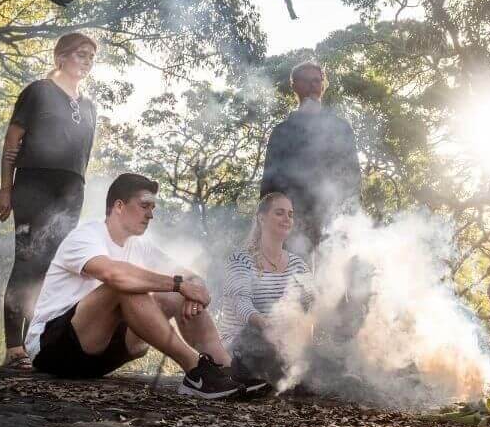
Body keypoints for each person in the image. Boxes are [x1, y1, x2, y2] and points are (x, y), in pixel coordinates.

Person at [24, 173, 238, 398]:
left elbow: (190, 277)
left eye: (153, 207)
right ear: (119, 206)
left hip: (103, 355)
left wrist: (192, 290)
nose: (151, 215)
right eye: (145, 206)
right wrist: (178, 284)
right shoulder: (86, 236)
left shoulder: (140, 246)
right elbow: (114, 275)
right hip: (54, 349)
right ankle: (196, 370)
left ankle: (226, 369)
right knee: (125, 285)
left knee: (177, 294)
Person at [0, 32, 99, 370]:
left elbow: (83, 156)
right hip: (33, 184)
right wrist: (6, 189)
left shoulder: (89, 106)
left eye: (91, 56)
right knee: (28, 262)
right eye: (81, 54)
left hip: (71, 191)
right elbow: (13, 139)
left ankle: (39, 344)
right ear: (61, 56)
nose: (86, 61)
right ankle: (14, 349)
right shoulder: (38, 92)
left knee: (55, 267)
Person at [261, 61, 360, 255]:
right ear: (295, 86)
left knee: (331, 281)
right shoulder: (282, 132)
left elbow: (353, 179)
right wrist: (265, 228)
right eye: (306, 81)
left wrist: (350, 222)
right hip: (291, 226)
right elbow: (268, 187)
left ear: (323, 85)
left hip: (333, 223)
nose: (312, 85)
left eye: (316, 81)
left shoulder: (341, 128)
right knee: (292, 282)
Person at [219, 192, 314, 388]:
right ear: (262, 218)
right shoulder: (240, 260)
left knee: (324, 362)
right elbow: (240, 303)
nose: (287, 218)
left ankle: (288, 373)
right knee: (260, 342)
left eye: (290, 214)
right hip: (242, 343)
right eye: (279, 213)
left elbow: (312, 304)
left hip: (281, 344)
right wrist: (267, 324)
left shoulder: (298, 264)